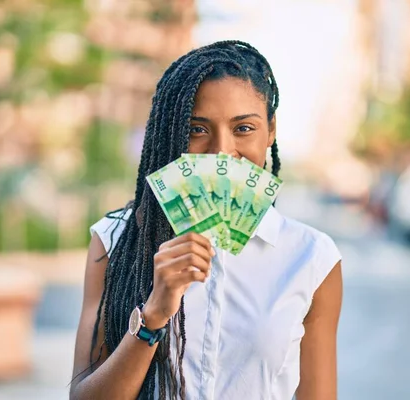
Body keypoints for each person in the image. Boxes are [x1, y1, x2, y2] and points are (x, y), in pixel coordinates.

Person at [70, 40, 343, 400]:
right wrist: (154, 313)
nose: (221, 152)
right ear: (171, 134)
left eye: (243, 128)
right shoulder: (116, 241)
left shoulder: (311, 258)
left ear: (270, 130)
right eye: (197, 129)